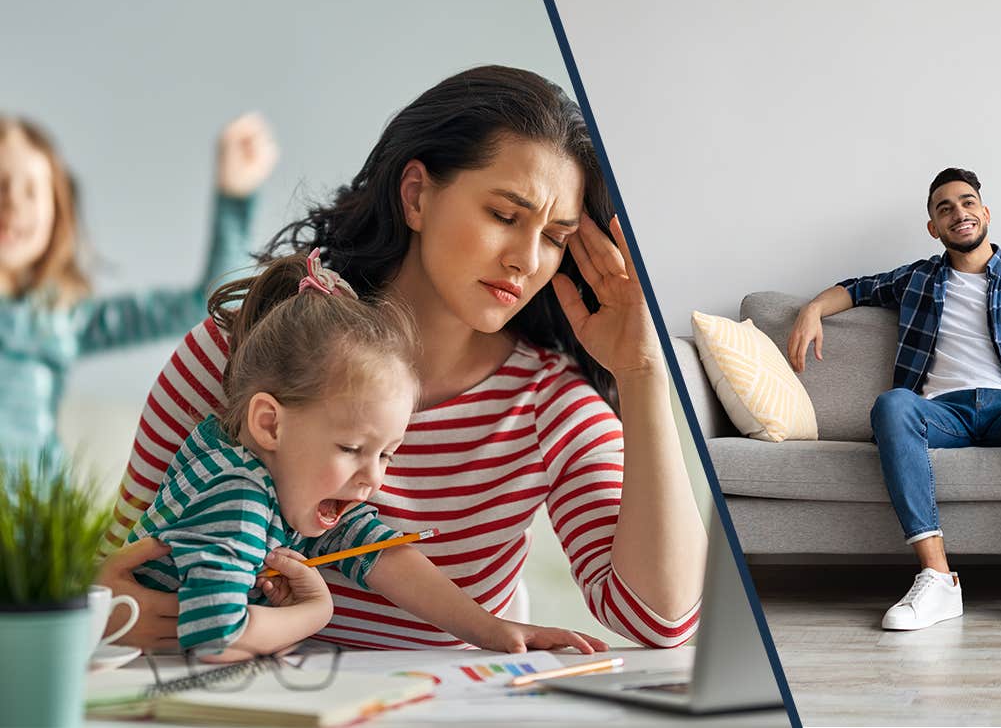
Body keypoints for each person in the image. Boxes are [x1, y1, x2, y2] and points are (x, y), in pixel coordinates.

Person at [97, 65, 707, 651]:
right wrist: (108, 613)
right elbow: (109, 564)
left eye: (554, 237)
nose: (526, 259)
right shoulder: (247, 348)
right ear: (416, 196)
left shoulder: (549, 405)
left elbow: (660, 621)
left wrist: (642, 373)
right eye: (504, 215)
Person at [128, 251, 606, 659]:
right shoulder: (237, 499)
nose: (372, 480)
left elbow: (377, 550)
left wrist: (492, 629)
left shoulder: (278, 477)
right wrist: (314, 613)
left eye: (387, 455)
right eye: (352, 449)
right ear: (269, 423)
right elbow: (215, 636)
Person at [786, 167, 1001, 631]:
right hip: (943, 414)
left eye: (967, 203)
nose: (958, 213)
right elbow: (857, 288)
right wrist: (811, 309)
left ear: (984, 213)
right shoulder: (917, 280)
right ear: (933, 228)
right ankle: (937, 577)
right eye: (944, 208)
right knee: (893, 404)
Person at [0, 112, 276, 462]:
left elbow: (207, 304)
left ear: (57, 211)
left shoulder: (61, 317)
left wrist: (234, 201)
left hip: (35, 511)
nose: (12, 204)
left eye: (30, 191)